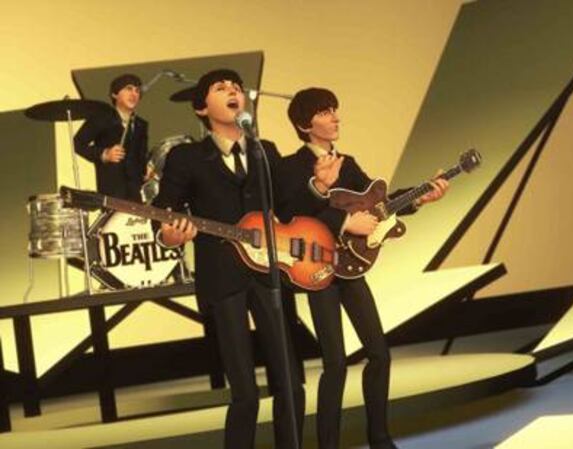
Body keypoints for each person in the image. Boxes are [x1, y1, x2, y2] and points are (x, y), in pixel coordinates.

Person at [152, 69, 336, 449]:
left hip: (270, 275)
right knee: (245, 394)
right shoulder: (186, 157)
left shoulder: (263, 149)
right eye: (221, 89)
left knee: (291, 385)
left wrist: (319, 186)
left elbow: (288, 208)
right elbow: (163, 209)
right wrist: (170, 235)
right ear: (202, 108)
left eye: (236, 87)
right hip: (223, 279)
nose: (233, 92)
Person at [282, 87, 448, 449]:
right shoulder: (290, 166)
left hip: (351, 267)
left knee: (379, 353)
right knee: (336, 363)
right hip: (319, 270)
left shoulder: (349, 163)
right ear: (304, 124)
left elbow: (377, 204)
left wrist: (419, 196)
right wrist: (343, 220)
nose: (335, 118)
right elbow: (293, 214)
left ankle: (380, 438)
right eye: (325, 112)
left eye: (335, 110)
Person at [74, 73, 149, 201]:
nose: (134, 94)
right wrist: (104, 154)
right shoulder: (102, 118)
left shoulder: (141, 124)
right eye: (129, 89)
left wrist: (145, 170)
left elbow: (141, 154)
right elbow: (78, 143)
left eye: (137, 91)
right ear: (114, 94)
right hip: (111, 189)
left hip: (135, 191)